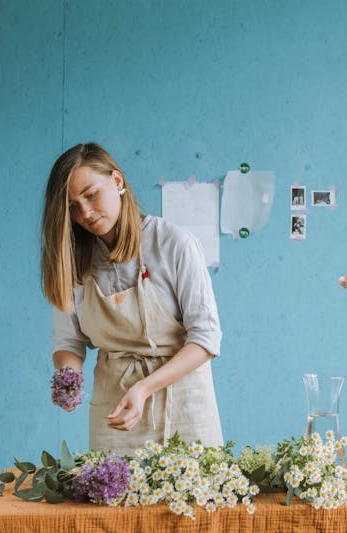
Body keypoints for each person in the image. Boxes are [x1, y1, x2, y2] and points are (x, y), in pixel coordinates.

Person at [41, 142, 223, 453]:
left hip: (184, 403)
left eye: (90, 194)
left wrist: (144, 388)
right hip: (115, 409)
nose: (84, 212)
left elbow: (206, 339)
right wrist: (67, 378)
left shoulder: (174, 244)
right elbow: (68, 342)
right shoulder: (72, 261)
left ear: (117, 181)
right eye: (72, 206)